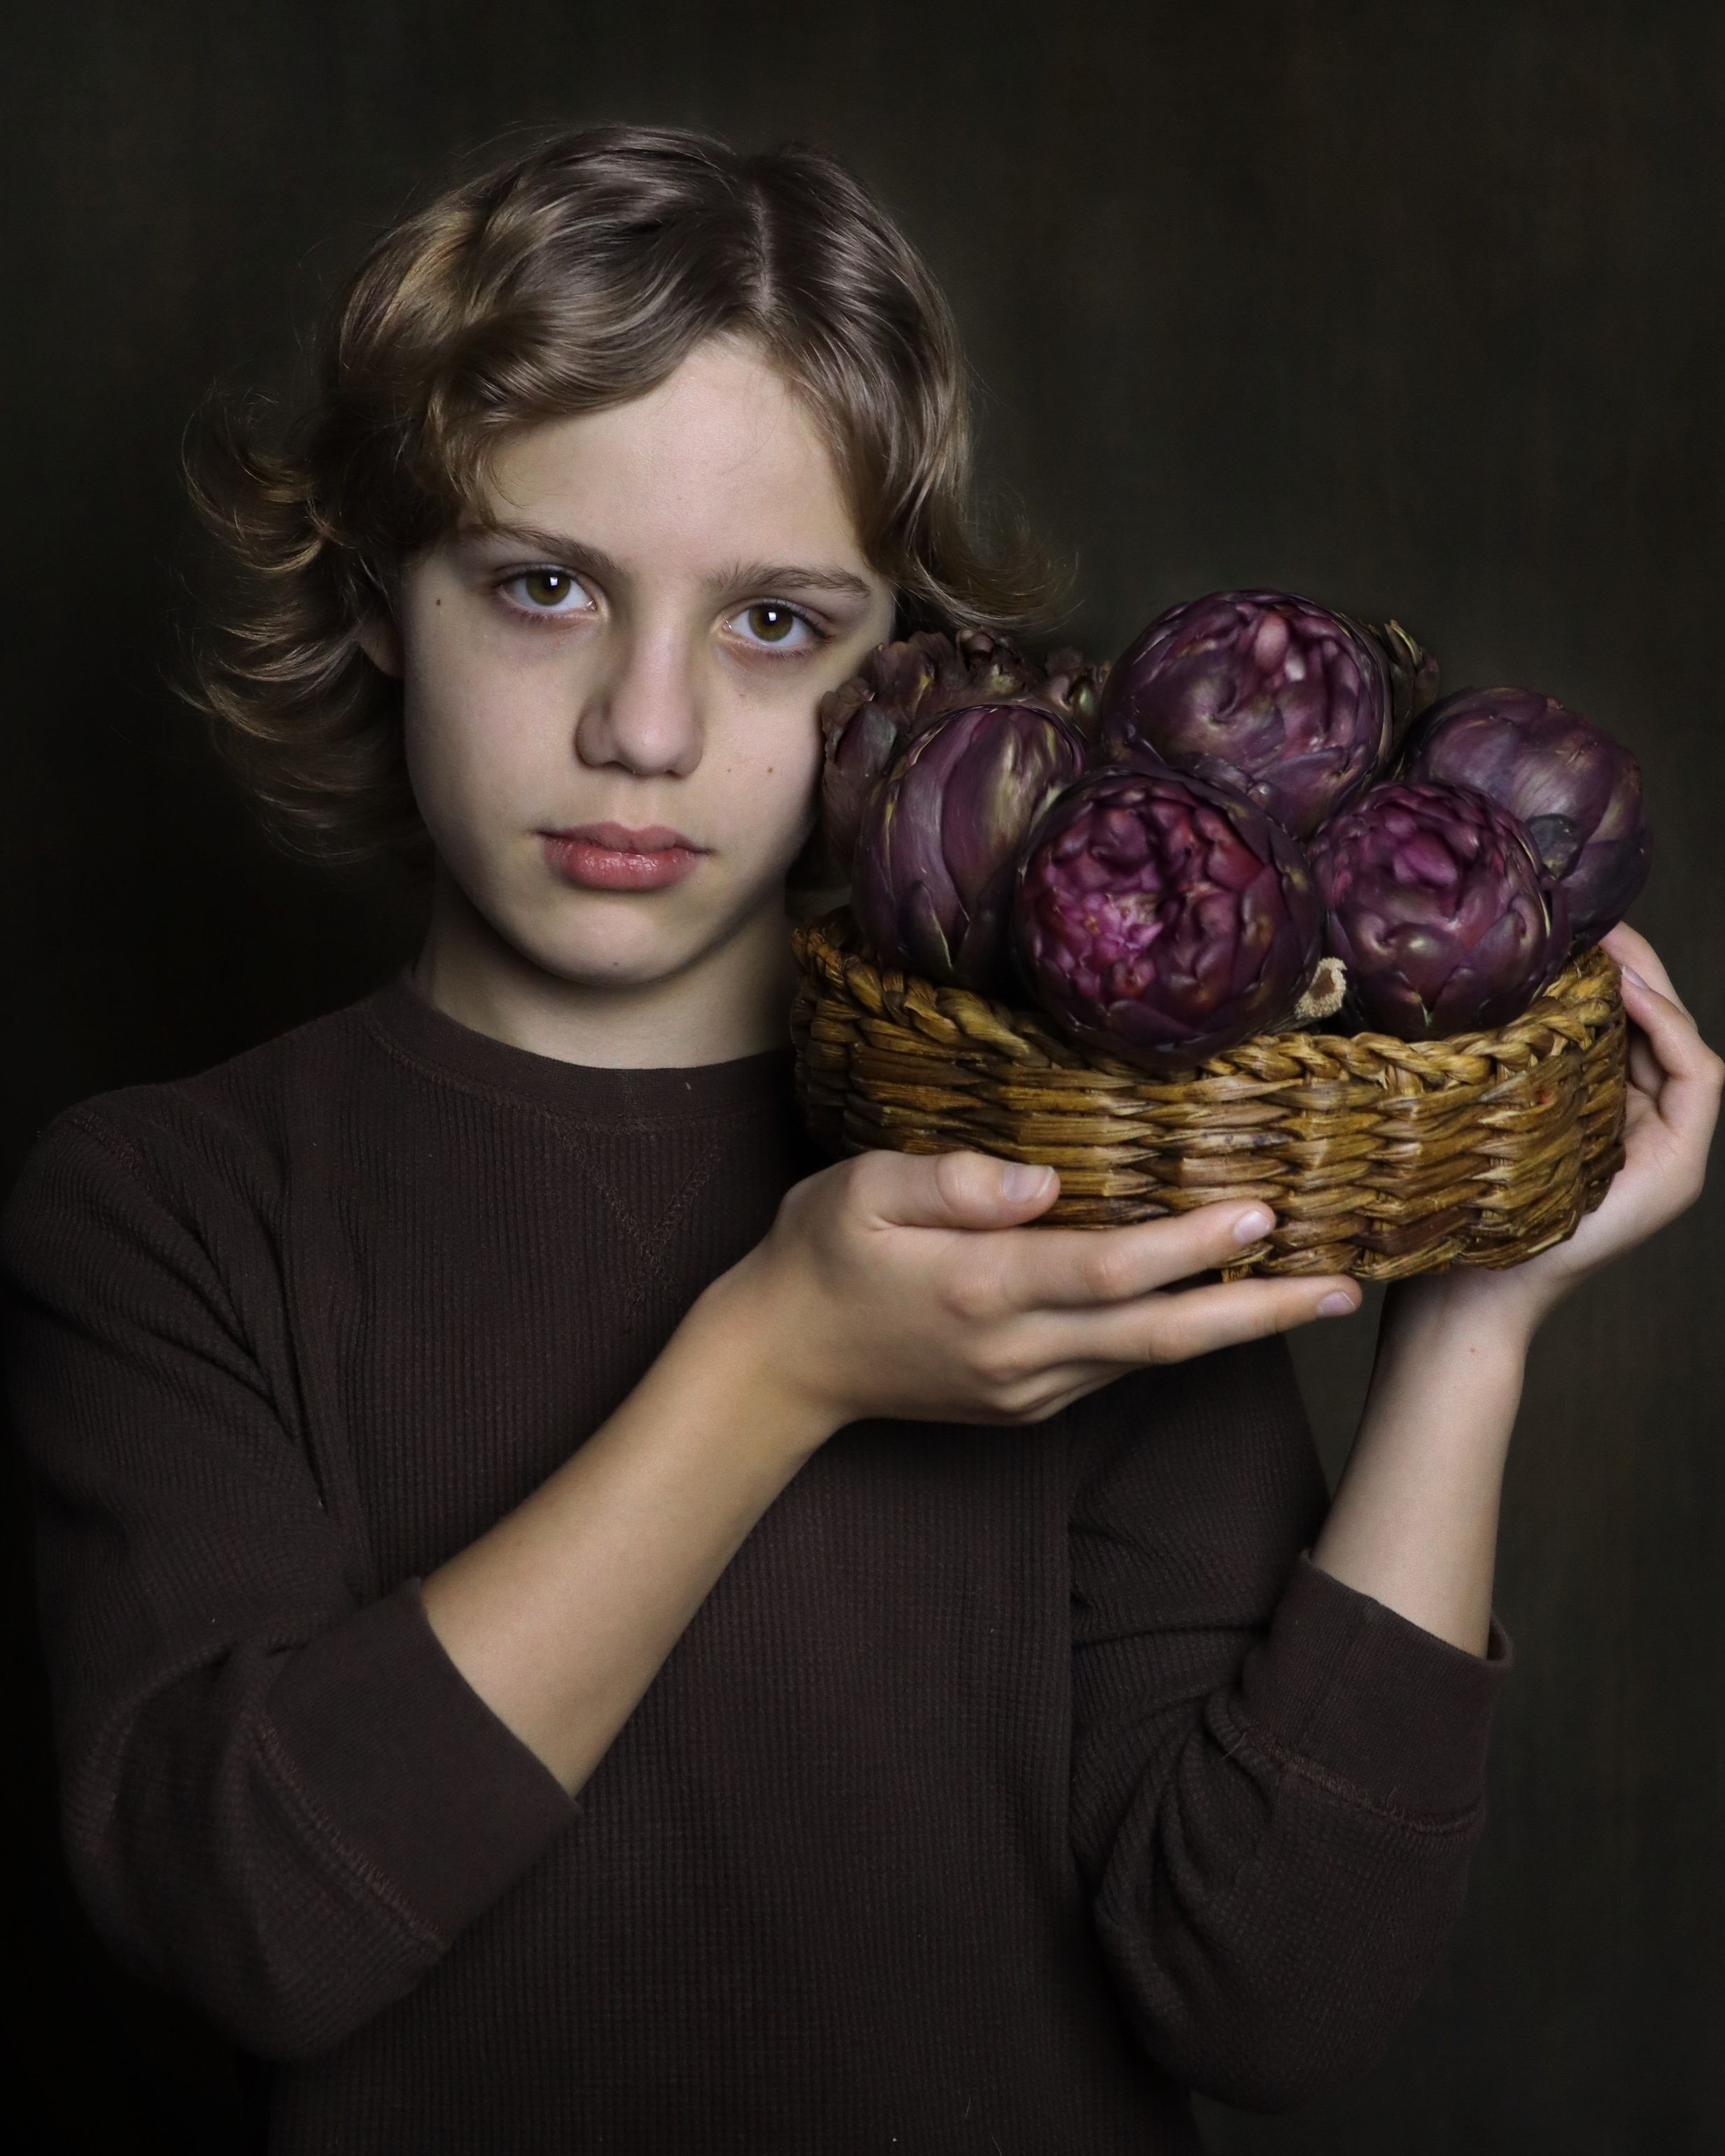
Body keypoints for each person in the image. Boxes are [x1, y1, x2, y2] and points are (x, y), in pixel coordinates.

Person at [2, 125, 1717, 2155]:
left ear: (905, 668)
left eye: (772, 625)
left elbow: (1264, 1992)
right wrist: (774, 1362)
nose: (642, 726)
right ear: (379, 595)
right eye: (540, 586)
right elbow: (258, 1916)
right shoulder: (168, 1210)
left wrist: (1468, 1328)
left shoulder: (1082, 1153)